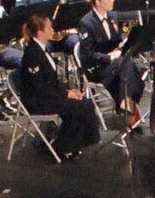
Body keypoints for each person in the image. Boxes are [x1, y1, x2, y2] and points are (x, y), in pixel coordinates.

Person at [18, 14, 100, 159]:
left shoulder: (43, 50)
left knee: (84, 102)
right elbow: (40, 87)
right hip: (37, 101)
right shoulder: (32, 54)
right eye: (49, 28)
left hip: (48, 96)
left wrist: (68, 91)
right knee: (80, 106)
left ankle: (71, 143)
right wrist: (65, 94)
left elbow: (51, 82)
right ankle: (63, 146)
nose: (52, 30)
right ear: (40, 32)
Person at [77, 0, 144, 130]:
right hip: (97, 67)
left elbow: (118, 41)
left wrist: (122, 48)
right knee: (127, 64)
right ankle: (128, 104)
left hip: (115, 65)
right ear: (98, 2)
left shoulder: (113, 16)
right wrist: (109, 57)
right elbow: (88, 54)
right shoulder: (86, 22)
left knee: (126, 63)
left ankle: (126, 101)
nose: (113, 0)